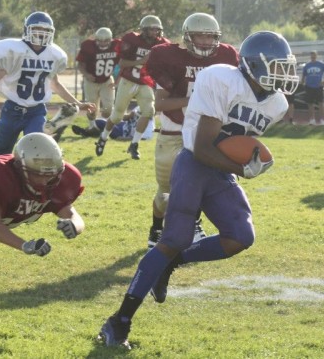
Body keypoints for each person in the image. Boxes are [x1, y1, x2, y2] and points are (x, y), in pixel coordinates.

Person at [97, 31, 299, 348]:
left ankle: (172, 265)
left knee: (240, 237)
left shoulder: (276, 102)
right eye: (275, 66)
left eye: (285, 67)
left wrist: (250, 160)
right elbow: (205, 147)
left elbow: (237, 143)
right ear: (251, 64)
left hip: (220, 173)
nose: (282, 74)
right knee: (174, 239)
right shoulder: (220, 78)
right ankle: (118, 322)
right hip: (194, 163)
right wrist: (243, 168)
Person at [143, 12, 239, 250]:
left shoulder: (226, 57)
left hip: (205, 134)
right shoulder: (169, 57)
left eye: (210, 37)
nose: (206, 42)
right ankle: (156, 227)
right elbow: (161, 104)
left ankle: (195, 223)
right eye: (200, 36)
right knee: (166, 193)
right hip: (173, 132)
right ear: (188, 36)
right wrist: (195, 100)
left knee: (196, 183)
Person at [0, 11, 94, 154]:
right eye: (37, 29)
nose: (41, 33)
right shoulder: (14, 51)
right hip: (12, 109)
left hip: (36, 111)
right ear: (27, 30)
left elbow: (55, 84)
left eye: (45, 30)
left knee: (35, 148)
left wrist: (79, 104)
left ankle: (50, 133)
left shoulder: (53, 55)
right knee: (2, 152)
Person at [95, 15, 170, 160]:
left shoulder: (162, 45)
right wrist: (142, 61)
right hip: (128, 80)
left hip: (145, 82)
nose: (155, 33)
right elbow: (122, 63)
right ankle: (103, 137)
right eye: (152, 29)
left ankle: (134, 145)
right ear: (144, 30)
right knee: (116, 116)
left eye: (157, 30)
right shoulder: (132, 39)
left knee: (149, 111)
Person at [76, 27, 121, 136]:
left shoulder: (117, 46)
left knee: (108, 110)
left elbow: (123, 64)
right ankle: (92, 127)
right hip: (91, 81)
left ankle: (104, 126)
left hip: (107, 80)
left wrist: (117, 80)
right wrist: (87, 74)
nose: (102, 43)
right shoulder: (88, 47)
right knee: (91, 108)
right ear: (96, 39)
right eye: (100, 40)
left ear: (110, 39)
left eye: (106, 40)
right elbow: (80, 65)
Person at [71, 105, 154, 141]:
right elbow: (128, 117)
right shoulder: (142, 106)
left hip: (123, 133)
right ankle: (89, 132)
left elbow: (141, 139)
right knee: (99, 121)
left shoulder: (148, 128)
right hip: (123, 125)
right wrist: (116, 115)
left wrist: (122, 139)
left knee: (102, 123)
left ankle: (87, 132)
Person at [302, 50, 324, 125]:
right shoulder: (307, 65)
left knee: (321, 103)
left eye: (314, 55)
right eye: (312, 56)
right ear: (310, 56)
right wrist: (302, 82)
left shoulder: (321, 64)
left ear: (316, 56)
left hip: (318, 87)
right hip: (309, 86)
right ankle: (312, 119)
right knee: (310, 104)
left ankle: (322, 120)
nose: (313, 57)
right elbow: (304, 75)